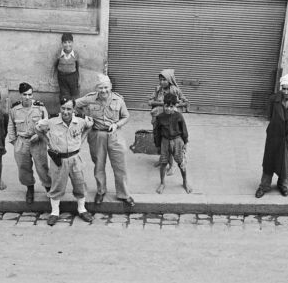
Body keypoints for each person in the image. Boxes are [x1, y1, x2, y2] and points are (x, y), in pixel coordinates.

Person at [75, 74, 135, 207]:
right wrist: (83, 117)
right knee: (99, 165)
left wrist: (117, 124)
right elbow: (74, 105)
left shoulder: (118, 100)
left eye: (106, 87)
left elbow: (126, 116)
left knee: (120, 165)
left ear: (110, 87)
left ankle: (124, 194)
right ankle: (101, 191)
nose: (103, 91)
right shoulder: (90, 98)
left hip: (115, 134)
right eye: (100, 88)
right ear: (97, 88)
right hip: (96, 135)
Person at [34, 98, 94, 226]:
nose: (65, 112)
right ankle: (55, 212)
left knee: (80, 184)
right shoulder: (51, 121)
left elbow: (89, 126)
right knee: (56, 186)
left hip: (75, 158)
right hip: (58, 159)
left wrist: (81, 140)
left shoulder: (81, 120)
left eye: (68, 109)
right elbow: (38, 129)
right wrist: (48, 142)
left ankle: (82, 209)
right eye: (63, 108)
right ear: (60, 108)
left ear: (73, 110)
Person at [255, 73, 288, 198]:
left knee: (286, 162)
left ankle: (283, 185)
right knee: (269, 161)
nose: (285, 92)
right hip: (274, 135)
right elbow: (269, 115)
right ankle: (264, 186)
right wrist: (277, 128)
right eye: (284, 88)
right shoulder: (273, 100)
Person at [7, 82, 51, 204]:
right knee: (23, 168)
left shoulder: (40, 107)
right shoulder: (15, 109)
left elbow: (47, 124)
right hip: (22, 142)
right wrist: (14, 141)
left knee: (42, 166)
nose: (28, 97)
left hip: (37, 141)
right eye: (25, 94)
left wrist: (38, 135)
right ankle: (30, 189)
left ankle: (48, 188)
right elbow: (11, 126)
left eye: (30, 94)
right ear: (20, 95)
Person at [149, 69, 188, 171]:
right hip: (159, 118)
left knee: (169, 139)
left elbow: (185, 101)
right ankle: (162, 158)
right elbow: (150, 101)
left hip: (171, 120)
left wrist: (174, 104)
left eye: (164, 80)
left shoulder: (175, 90)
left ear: (170, 80)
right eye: (160, 80)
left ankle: (172, 165)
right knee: (160, 138)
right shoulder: (158, 89)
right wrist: (159, 104)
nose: (162, 82)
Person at [153, 93, 192, 194]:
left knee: (181, 162)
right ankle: (162, 183)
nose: (168, 109)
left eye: (171, 106)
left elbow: (184, 130)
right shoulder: (160, 117)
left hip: (177, 141)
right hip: (165, 141)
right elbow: (156, 132)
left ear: (175, 106)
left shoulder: (179, 116)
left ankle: (185, 182)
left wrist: (185, 143)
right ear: (163, 104)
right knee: (163, 163)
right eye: (166, 106)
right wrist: (157, 145)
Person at [52, 32, 80, 101]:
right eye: (65, 42)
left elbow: (78, 67)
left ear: (72, 42)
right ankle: (65, 110)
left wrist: (79, 80)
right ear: (62, 43)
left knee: (74, 95)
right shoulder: (59, 53)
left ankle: (74, 110)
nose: (67, 44)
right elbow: (54, 65)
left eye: (69, 42)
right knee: (64, 96)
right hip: (62, 77)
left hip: (73, 77)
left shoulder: (75, 54)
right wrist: (51, 77)